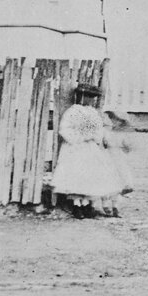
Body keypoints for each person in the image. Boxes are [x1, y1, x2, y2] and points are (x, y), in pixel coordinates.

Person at [49, 84, 129, 218]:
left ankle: (86, 205)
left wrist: (95, 137)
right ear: (80, 96)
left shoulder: (93, 113)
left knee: (89, 176)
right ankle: (76, 205)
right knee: (77, 175)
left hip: (90, 147)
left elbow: (98, 130)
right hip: (75, 148)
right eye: (87, 97)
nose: (90, 100)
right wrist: (79, 137)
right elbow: (65, 130)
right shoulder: (73, 111)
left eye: (92, 98)